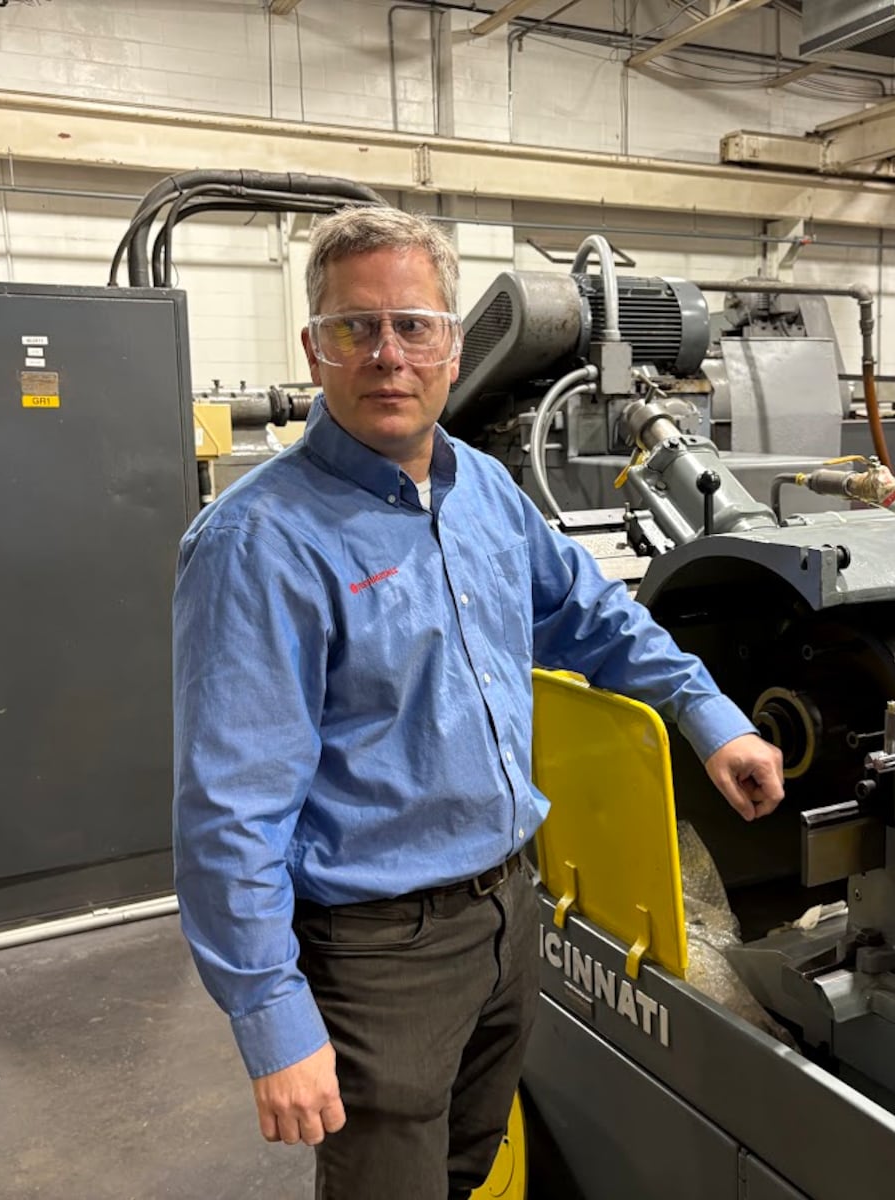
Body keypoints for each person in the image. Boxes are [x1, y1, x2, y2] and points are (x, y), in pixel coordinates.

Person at [172, 205, 785, 1200]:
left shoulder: (488, 492)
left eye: (414, 325)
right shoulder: (257, 541)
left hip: (508, 910)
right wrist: (272, 1019)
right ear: (312, 349)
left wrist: (706, 715)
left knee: (464, 1166)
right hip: (378, 951)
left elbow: (596, 619)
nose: (387, 355)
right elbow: (229, 810)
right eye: (353, 328)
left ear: (454, 345)